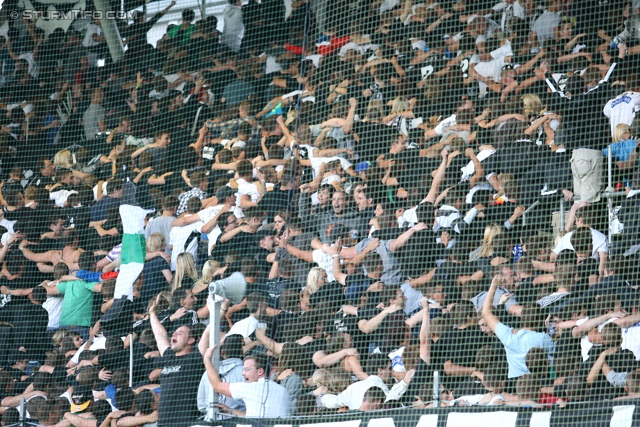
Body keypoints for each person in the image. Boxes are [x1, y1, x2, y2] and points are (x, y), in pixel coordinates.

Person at [149, 295, 206, 426]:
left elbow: (208, 334)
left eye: (180, 333)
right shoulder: (169, 357)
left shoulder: (195, 357)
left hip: (186, 422)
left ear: (191, 340)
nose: (174, 334)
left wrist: (219, 309)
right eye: (174, 333)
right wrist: (152, 313)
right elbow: (160, 336)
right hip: (163, 423)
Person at [204, 347, 290, 418]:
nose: (242, 373)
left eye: (247, 369)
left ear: (260, 371)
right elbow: (254, 417)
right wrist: (230, 411)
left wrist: (206, 360)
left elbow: (217, 385)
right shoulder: (283, 390)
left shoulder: (250, 388)